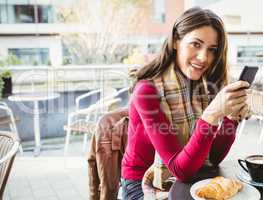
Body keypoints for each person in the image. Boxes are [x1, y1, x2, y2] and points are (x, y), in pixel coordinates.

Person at [98, 7, 250, 200]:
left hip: (187, 177)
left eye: (212, 49)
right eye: (196, 44)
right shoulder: (147, 91)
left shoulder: (202, 86)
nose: (204, 57)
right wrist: (211, 115)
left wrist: (230, 118)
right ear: (176, 41)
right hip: (142, 184)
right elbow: (180, 170)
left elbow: (212, 158)